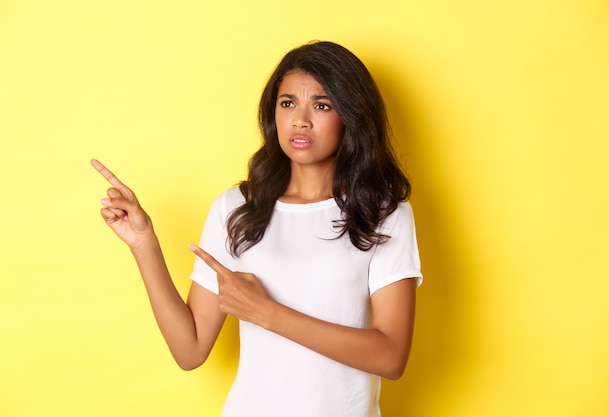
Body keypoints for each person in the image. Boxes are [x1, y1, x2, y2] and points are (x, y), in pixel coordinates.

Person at [92, 40, 422, 417]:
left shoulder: (382, 213)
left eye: (321, 104)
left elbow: (391, 356)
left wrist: (267, 312)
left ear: (350, 116)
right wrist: (143, 242)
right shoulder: (237, 209)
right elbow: (190, 350)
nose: (300, 119)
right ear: (273, 114)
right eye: (287, 103)